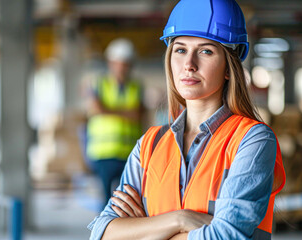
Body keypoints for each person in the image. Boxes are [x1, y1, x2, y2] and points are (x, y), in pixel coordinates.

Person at [88, 0, 285, 239]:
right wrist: (179, 219)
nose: (189, 65)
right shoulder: (150, 144)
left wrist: (144, 230)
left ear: (228, 67)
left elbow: (226, 235)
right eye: (180, 50)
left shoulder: (252, 140)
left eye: (206, 51)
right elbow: (101, 233)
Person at [86, 38, 143, 207]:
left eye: (127, 63)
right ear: (111, 63)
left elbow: (138, 115)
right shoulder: (99, 83)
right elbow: (96, 109)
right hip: (103, 152)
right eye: (119, 63)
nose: (123, 67)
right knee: (105, 201)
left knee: (126, 201)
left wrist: (109, 110)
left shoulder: (136, 86)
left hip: (129, 152)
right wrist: (126, 112)